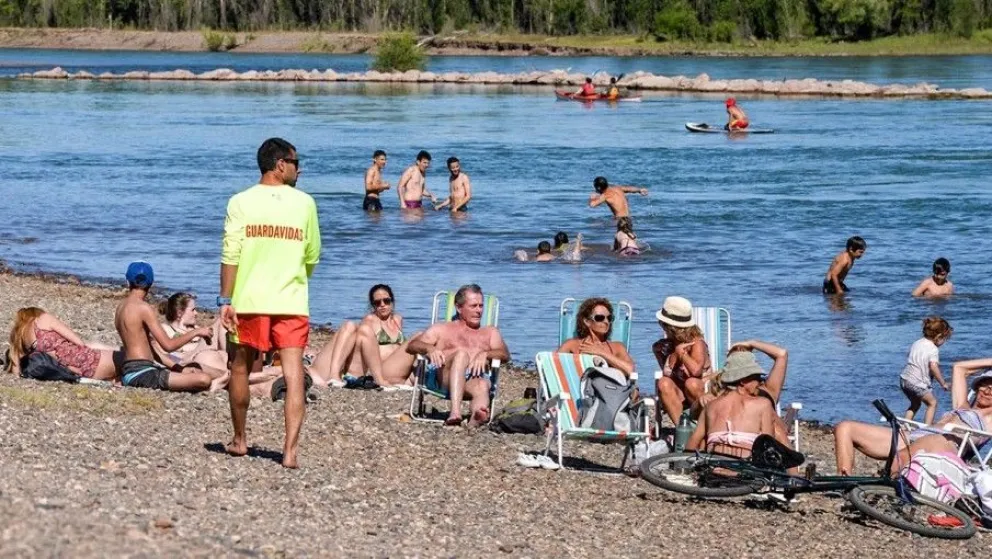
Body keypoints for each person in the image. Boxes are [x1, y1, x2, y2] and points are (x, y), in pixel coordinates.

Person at [219, 137, 321, 469]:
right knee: (293, 375)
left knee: (239, 367)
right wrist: (293, 276)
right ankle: (289, 451)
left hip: (250, 299)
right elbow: (312, 256)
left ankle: (240, 439)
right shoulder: (305, 203)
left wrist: (225, 299)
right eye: (295, 162)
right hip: (291, 300)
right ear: (279, 165)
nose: (299, 168)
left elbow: (230, 253)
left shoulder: (240, 201)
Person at [834, 358, 992, 476]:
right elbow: (960, 368)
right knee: (845, 427)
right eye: (985, 383)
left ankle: (880, 488)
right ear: (978, 386)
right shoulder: (961, 405)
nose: (988, 390)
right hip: (917, 436)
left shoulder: (989, 419)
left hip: (946, 446)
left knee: (900, 458)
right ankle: (844, 480)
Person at [406, 284, 510, 427]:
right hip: (443, 379)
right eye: (473, 306)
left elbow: (505, 354)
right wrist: (429, 348)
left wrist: (486, 354)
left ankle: (476, 417)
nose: (479, 310)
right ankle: (455, 412)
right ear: (459, 308)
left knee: (481, 385)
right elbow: (411, 346)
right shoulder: (442, 329)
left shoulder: (490, 332)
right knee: (461, 355)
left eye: (481, 306)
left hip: (472, 380)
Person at [114, 262, 219, 393]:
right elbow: (168, 346)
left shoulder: (120, 308)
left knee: (191, 372)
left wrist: (179, 369)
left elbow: (152, 350)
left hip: (129, 371)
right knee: (204, 379)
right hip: (143, 374)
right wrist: (197, 332)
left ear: (128, 282)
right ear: (151, 284)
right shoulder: (143, 308)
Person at [686, 348, 792, 458]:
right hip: (744, 468)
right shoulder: (763, 404)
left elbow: (691, 445)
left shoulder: (711, 405)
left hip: (714, 466)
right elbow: (767, 446)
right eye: (757, 377)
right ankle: (794, 475)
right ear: (743, 381)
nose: (760, 382)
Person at [310, 284, 418, 389]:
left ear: (392, 301)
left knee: (417, 338)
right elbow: (362, 342)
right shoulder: (370, 319)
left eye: (386, 301)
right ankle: (335, 373)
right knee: (351, 326)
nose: (382, 305)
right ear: (373, 305)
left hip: (396, 367)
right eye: (377, 303)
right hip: (382, 370)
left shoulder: (398, 319)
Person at [5, 307, 119, 381]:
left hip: (74, 373)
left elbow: (15, 369)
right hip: (88, 360)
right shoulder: (43, 319)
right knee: (129, 358)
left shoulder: (21, 340)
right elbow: (79, 342)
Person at [653, 296, 712, 425]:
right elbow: (667, 374)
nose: (660, 325)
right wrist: (675, 354)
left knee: (691, 383)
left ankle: (706, 426)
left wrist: (682, 355)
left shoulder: (697, 343)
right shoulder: (661, 347)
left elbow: (696, 372)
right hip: (679, 393)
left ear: (669, 327)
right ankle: (682, 430)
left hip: (702, 393)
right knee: (663, 383)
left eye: (662, 323)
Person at [557, 298, 634, 377]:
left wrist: (601, 352)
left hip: (607, 388)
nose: (606, 322)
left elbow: (630, 370)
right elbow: (553, 365)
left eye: (609, 318)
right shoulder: (572, 345)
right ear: (587, 321)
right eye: (600, 318)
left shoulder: (617, 347)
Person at [900, 317, 952, 425]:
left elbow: (909, 355)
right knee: (932, 403)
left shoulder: (917, 342)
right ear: (938, 336)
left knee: (915, 404)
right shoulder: (933, 349)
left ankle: (905, 426)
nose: (944, 342)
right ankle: (927, 428)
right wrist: (943, 383)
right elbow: (933, 366)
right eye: (945, 339)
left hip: (904, 380)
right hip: (916, 383)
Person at [158, 292, 227, 372]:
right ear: (180, 313)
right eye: (193, 310)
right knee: (221, 320)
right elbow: (164, 352)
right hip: (187, 360)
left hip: (206, 355)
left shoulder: (196, 328)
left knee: (222, 321)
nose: (196, 313)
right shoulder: (166, 328)